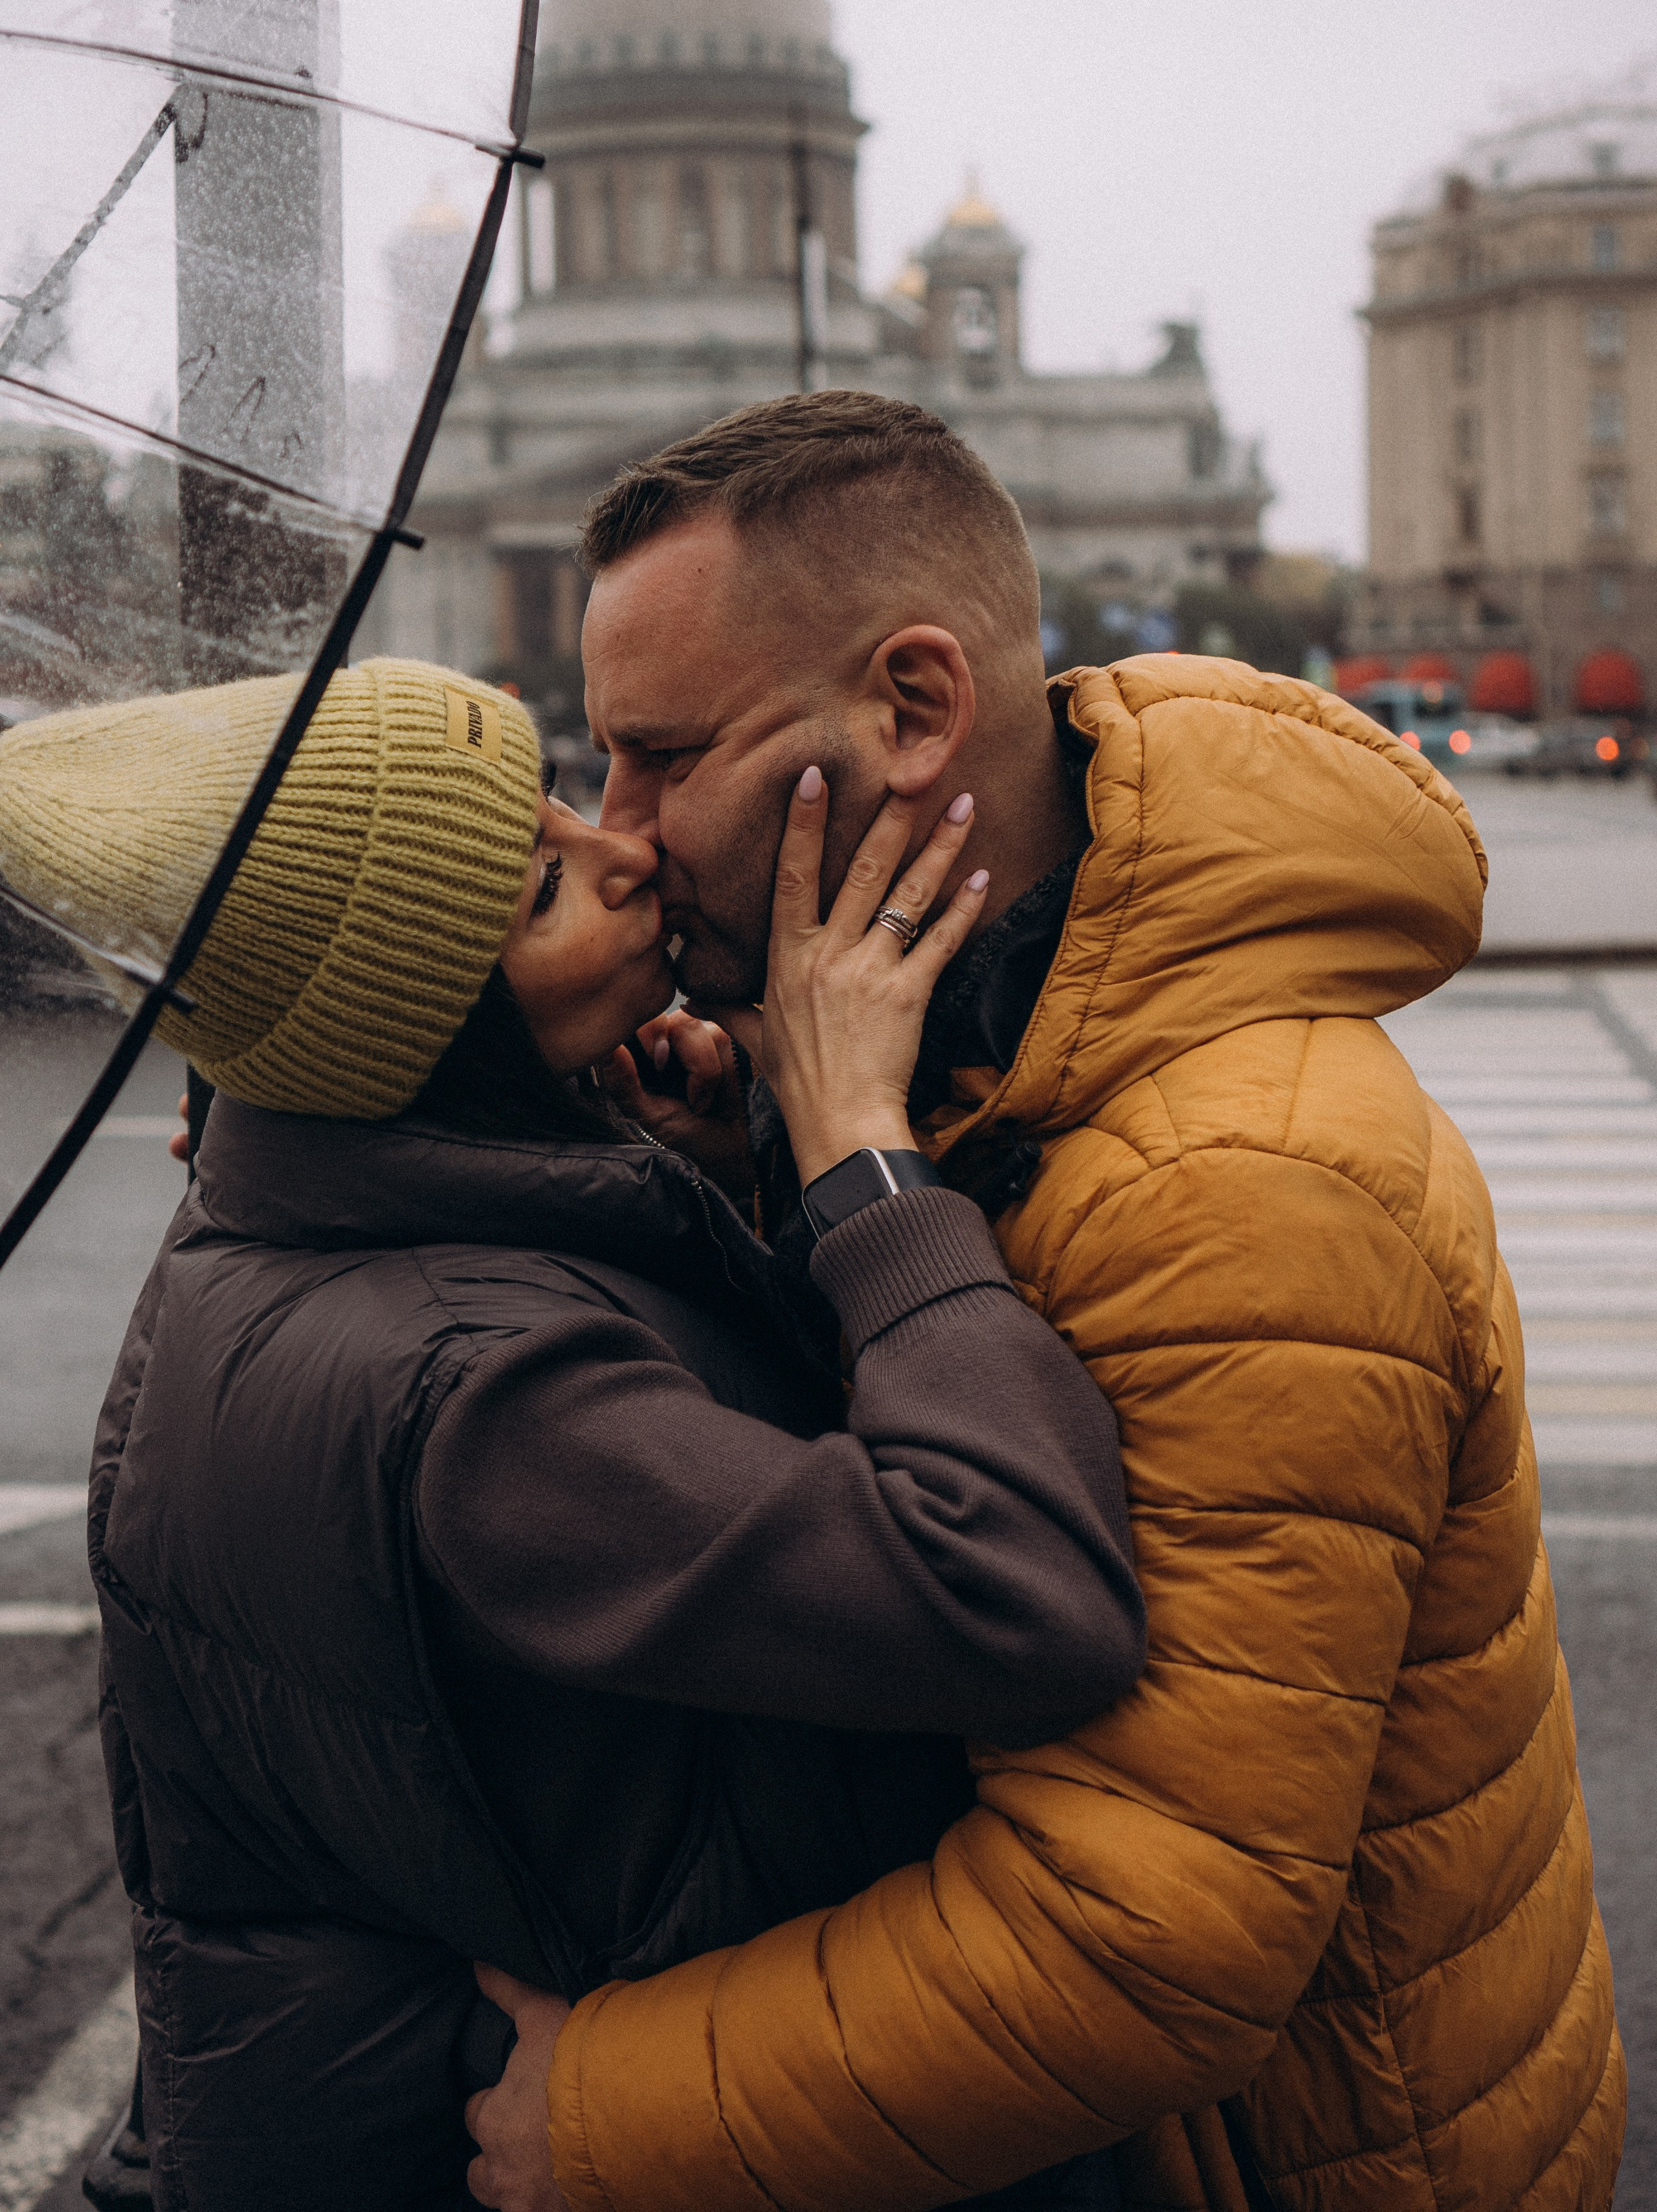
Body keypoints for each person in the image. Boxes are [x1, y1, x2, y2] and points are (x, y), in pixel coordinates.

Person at [466, 394, 1623, 2212]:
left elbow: (1143, 1938)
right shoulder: (934, 1043)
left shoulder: (1245, 1180)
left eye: (662, 756)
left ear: (915, 710)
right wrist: (748, 1173)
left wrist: (602, 2117)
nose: (619, 834)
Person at [0, 658, 1147, 2212]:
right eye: (547, 889)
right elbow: (1019, 1595)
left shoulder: (274, 1228)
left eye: (557, 797)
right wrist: (863, 1161)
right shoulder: (486, 1398)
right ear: (433, 1039)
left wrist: (679, 1172)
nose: (625, 851)